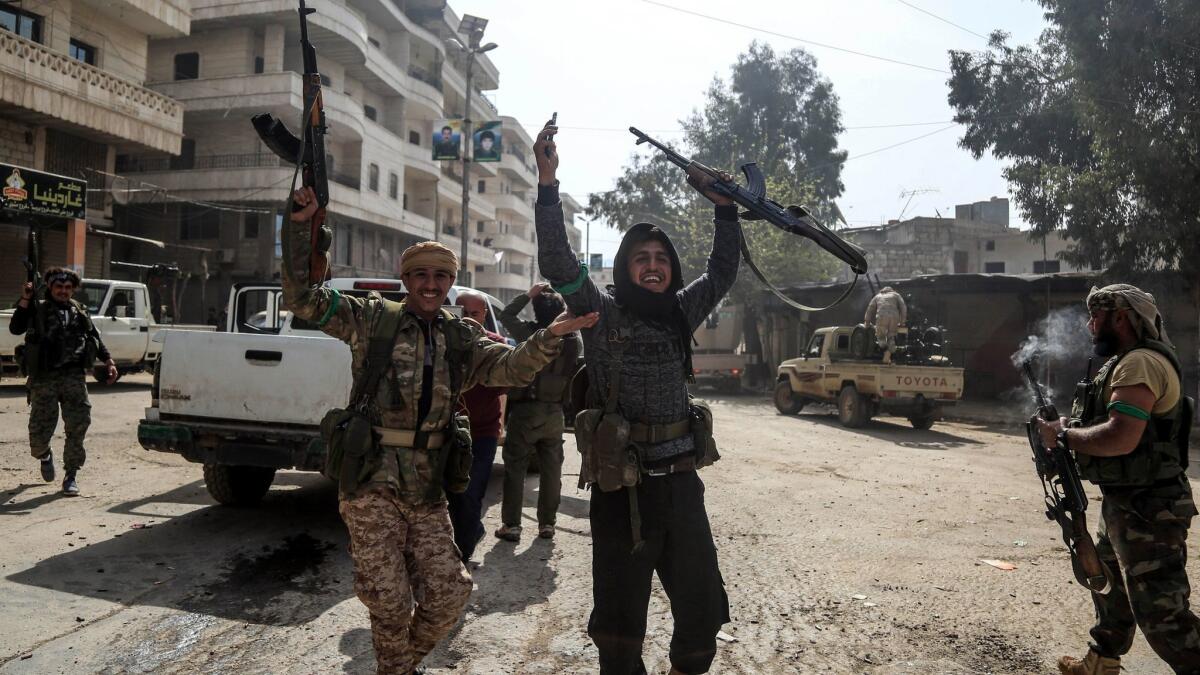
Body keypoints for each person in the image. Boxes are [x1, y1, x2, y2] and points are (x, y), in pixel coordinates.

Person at [286, 186, 598, 674]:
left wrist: (550, 336)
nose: (430, 284)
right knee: (388, 602)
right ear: (406, 279)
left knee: (452, 593)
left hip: (428, 488)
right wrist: (303, 230)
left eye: (440, 276)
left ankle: (400, 663)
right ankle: (398, 669)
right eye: (421, 275)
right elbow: (304, 299)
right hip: (371, 482)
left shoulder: (461, 334)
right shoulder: (371, 318)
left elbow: (511, 369)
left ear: (451, 282)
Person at [533, 119, 738, 674]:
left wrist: (725, 209)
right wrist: (547, 186)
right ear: (625, 267)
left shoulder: (682, 311)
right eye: (641, 258)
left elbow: (722, 271)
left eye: (662, 259)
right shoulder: (600, 313)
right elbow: (556, 263)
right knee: (619, 628)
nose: (653, 265)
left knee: (701, 612)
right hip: (619, 493)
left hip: (680, 489)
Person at [1036, 284, 1199, 675]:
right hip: (1127, 502)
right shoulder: (1125, 361)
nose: (1090, 324)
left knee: (1162, 616)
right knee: (1112, 591)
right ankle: (1102, 661)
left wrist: (1062, 435)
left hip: (1149, 509)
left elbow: (1121, 436)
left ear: (1122, 317)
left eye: (1097, 316)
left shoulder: (1139, 364)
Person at [9, 267, 117, 496]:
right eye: (59, 287)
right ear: (50, 287)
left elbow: (94, 337)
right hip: (44, 379)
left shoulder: (79, 311)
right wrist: (26, 299)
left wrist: (108, 360)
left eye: (68, 288)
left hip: (74, 378)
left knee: (78, 426)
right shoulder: (37, 309)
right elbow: (15, 327)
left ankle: (71, 475)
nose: (63, 291)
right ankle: (44, 455)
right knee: (38, 435)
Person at [494, 283, 582, 542]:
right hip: (554, 413)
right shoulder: (572, 343)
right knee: (552, 469)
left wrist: (529, 294)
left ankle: (511, 525)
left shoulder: (530, 335)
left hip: (525, 411)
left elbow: (506, 315)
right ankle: (547, 525)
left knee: (515, 468)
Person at [446, 290, 507, 562]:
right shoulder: (444, 342)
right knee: (454, 494)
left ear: (484, 316)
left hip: (482, 433)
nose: (470, 319)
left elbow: (504, 388)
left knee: (472, 491)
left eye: (475, 314)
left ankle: (463, 554)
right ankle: (471, 533)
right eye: (464, 313)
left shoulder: (496, 345)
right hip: (448, 431)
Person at [864, 286, 906, 363]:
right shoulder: (896, 295)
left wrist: (867, 322)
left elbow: (870, 308)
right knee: (891, 336)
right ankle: (891, 356)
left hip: (882, 317)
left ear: (882, 291)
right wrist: (902, 322)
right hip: (894, 317)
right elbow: (903, 307)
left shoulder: (878, 296)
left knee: (881, 337)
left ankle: (886, 351)